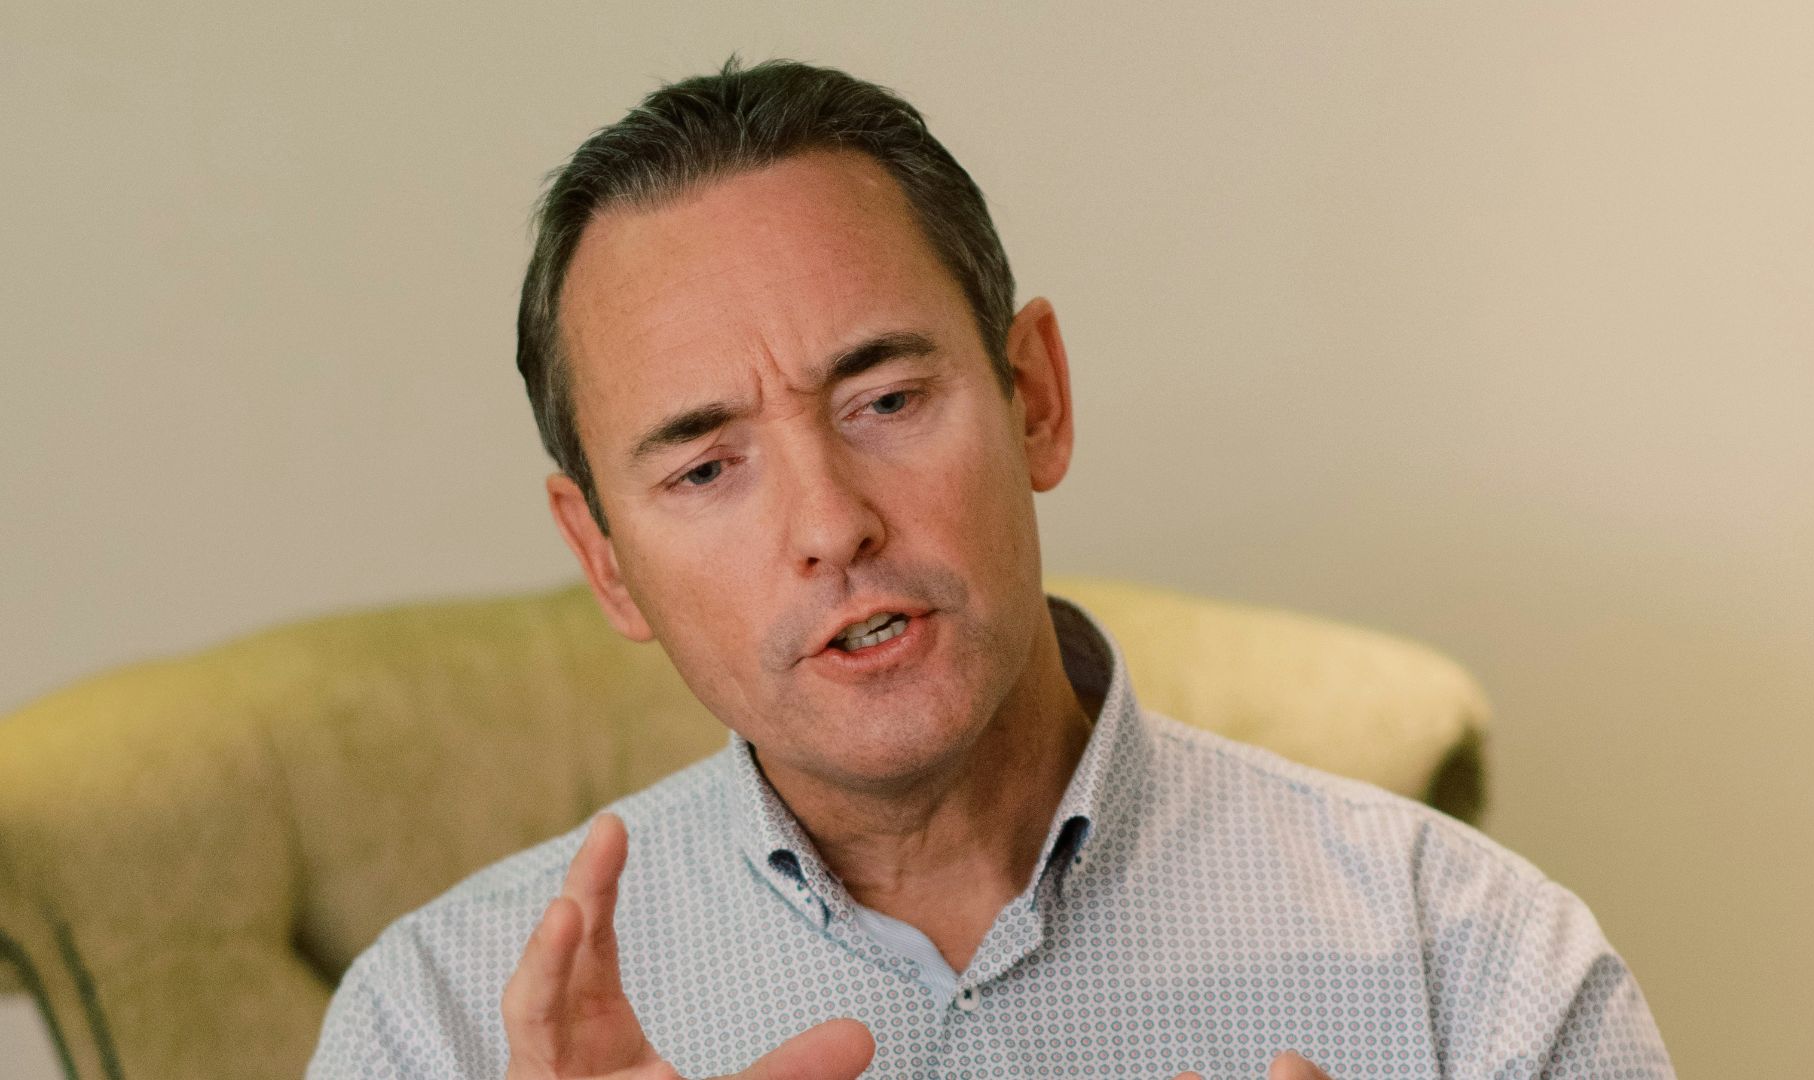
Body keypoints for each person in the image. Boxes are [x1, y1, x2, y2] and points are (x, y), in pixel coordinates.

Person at [307, 58, 1672, 1079]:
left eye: (885, 401)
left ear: (1035, 398)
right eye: (705, 466)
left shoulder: (1479, 965)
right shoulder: (432, 1026)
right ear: (605, 560)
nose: (830, 524)